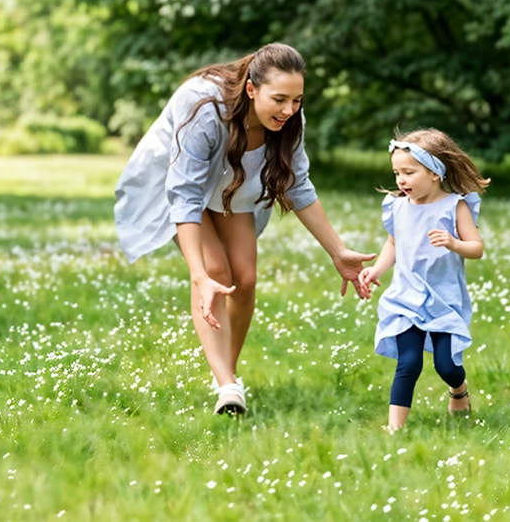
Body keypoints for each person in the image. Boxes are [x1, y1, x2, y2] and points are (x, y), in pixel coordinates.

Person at [114, 42, 375, 415]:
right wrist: (199, 274)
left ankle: (227, 375)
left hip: (232, 184)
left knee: (245, 278)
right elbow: (185, 194)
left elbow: (299, 186)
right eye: (280, 99)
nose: (290, 110)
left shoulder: (287, 122)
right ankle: (226, 385)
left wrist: (339, 252)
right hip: (179, 183)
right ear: (252, 89)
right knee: (217, 272)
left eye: (298, 100)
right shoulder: (206, 111)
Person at [356, 128, 490, 431]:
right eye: (396, 173)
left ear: (435, 173)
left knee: (447, 365)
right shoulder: (397, 206)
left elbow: (477, 248)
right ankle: (395, 431)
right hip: (405, 297)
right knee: (409, 363)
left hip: (444, 299)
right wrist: (377, 270)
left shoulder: (454, 206)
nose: (401, 180)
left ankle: (459, 389)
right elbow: (393, 243)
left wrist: (455, 243)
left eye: (409, 172)